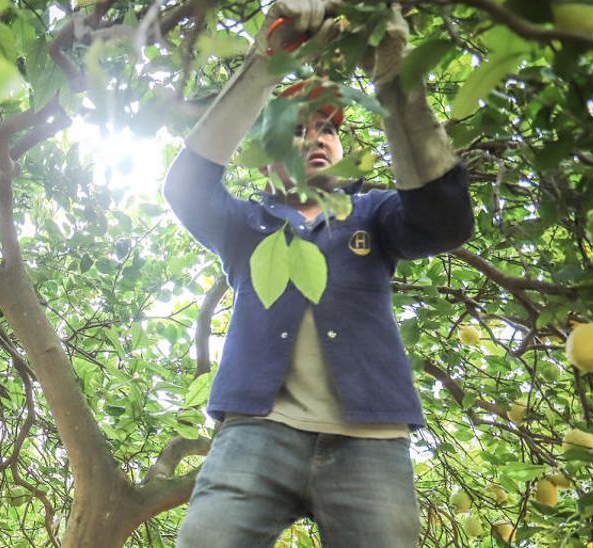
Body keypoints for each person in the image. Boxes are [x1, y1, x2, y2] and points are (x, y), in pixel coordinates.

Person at [164, 1, 474, 546]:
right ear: (265, 160)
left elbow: (444, 221)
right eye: (298, 127)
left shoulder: (374, 214)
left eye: (329, 127)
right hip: (256, 430)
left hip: (370, 438)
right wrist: (267, 61)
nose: (317, 136)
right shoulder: (246, 224)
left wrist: (395, 74)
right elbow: (187, 187)